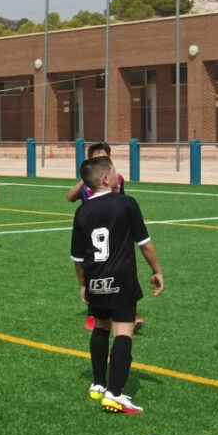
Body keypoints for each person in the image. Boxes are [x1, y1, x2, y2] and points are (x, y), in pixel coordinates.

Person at [71, 156, 163, 415]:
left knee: (100, 327)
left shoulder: (82, 211)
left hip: (95, 279)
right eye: (114, 171)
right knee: (124, 332)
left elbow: (78, 259)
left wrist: (82, 285)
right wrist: (157, 270)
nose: (117, 174)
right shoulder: (126, 204)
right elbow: (144, 243)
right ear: (105, 179)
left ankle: (98, 384)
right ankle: (115, 393)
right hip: (121, 279)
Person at [67, 142, 143, 331]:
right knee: (95, 271)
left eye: (105, 157)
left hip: (113, 231)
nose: (101, 160)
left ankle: (128, 313)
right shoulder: (87, 185)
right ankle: (93, 314)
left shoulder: (117, 180)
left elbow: (122, 201)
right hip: (93, 234)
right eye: (97, 157)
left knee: (121, 272)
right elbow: (70, 197)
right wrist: (86, 179)